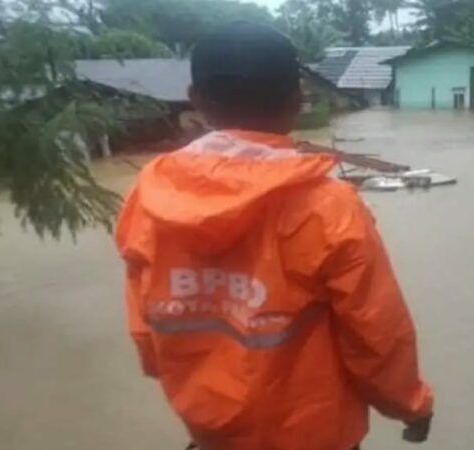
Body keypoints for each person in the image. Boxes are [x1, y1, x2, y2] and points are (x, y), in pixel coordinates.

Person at [115, 22, 433, 450]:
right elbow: (376, 333)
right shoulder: (328, 206)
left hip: (212, 432)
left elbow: (146, 326)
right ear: (297, 102)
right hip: (314, 435)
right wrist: (411, 405)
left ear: (196, 100)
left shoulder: (150, 196)